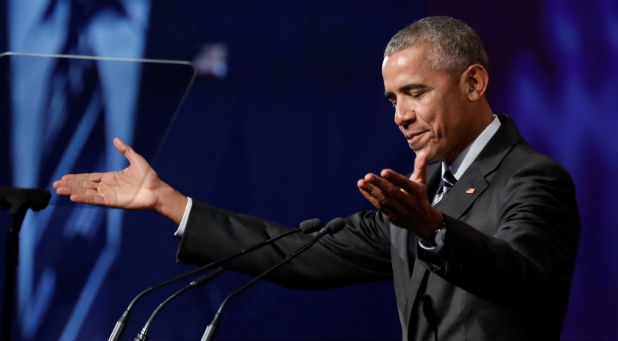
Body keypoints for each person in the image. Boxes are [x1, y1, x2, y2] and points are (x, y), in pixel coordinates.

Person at [53, 16, 580, 340]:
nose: (399, 115)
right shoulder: (419, 196)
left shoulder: (533, 180)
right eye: (392, 100)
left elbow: (518, 277)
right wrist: (168, 201)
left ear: (473, 82)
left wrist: (433, 228)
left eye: (416, 93)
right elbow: (301, 254)